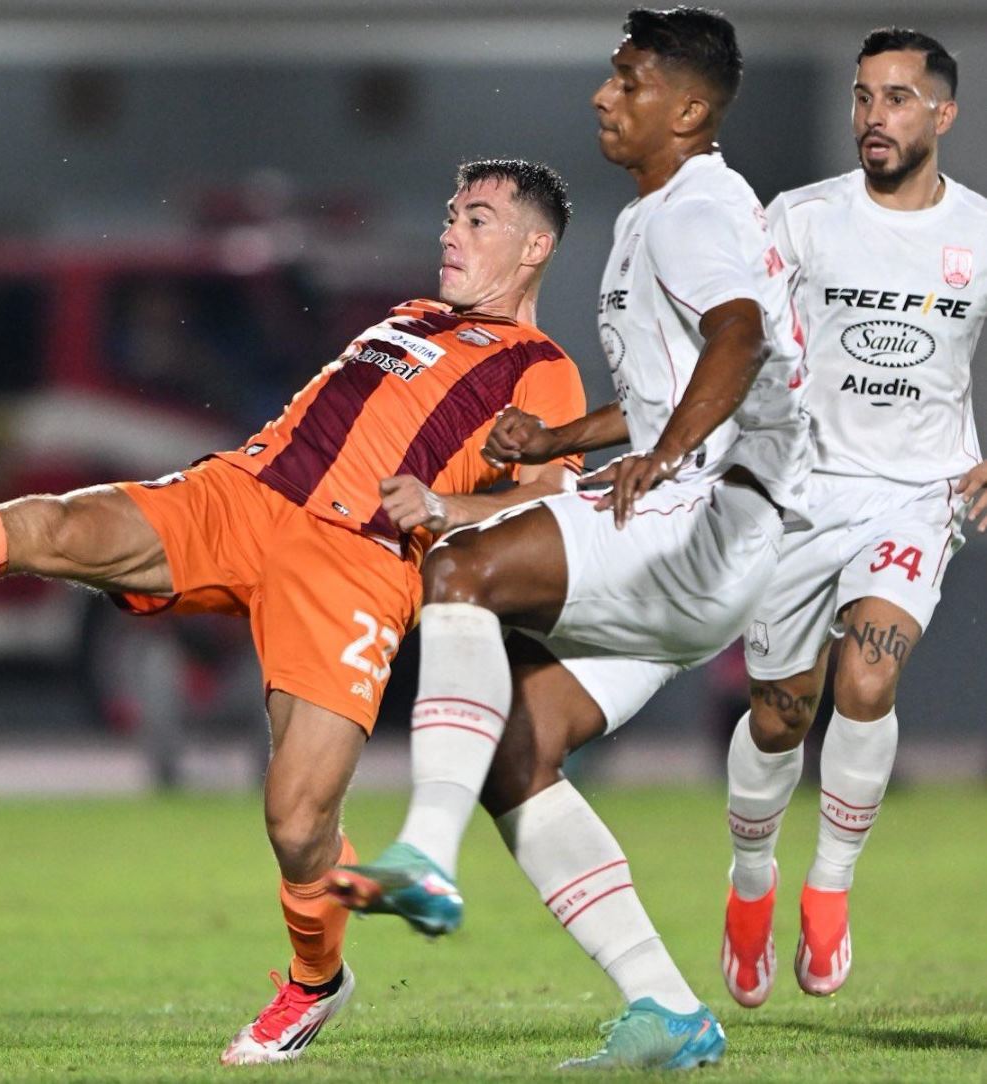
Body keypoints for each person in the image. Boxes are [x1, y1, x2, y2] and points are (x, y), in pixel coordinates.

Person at [0, 158, 587, 1066]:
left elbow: (552, 498)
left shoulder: (542, 370)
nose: (450, 231)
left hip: (355, 564)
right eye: (451, 214)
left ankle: (316, 982)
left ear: (533, 248)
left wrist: (444, 508)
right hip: (242, 495)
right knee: (56, 527)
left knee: (296, 822)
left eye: (476, 219)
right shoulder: (411, 317)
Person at [326, 6, 812, 1070]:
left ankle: (425, 852)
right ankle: (668, 1011)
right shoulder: (661, 213)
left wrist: (667, 453)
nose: (604, 95)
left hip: (705, 515)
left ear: (688, 109)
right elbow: (675, 382)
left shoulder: (694, 209)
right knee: (517, 749)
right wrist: (560, 438)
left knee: (461, 565)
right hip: (716, 544)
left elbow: (738, 339)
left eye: (631, 81)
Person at [721, 27, 987, 1008]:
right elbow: (733, 335)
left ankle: (829, 888)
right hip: (801, 493)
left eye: (898, 98)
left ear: (943, 113)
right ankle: (752, 882)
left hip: (918, 494)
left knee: (867, 681)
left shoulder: (978, 232)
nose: (875, 116)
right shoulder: (800, 219)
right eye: (864, 97)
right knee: (779, 714)